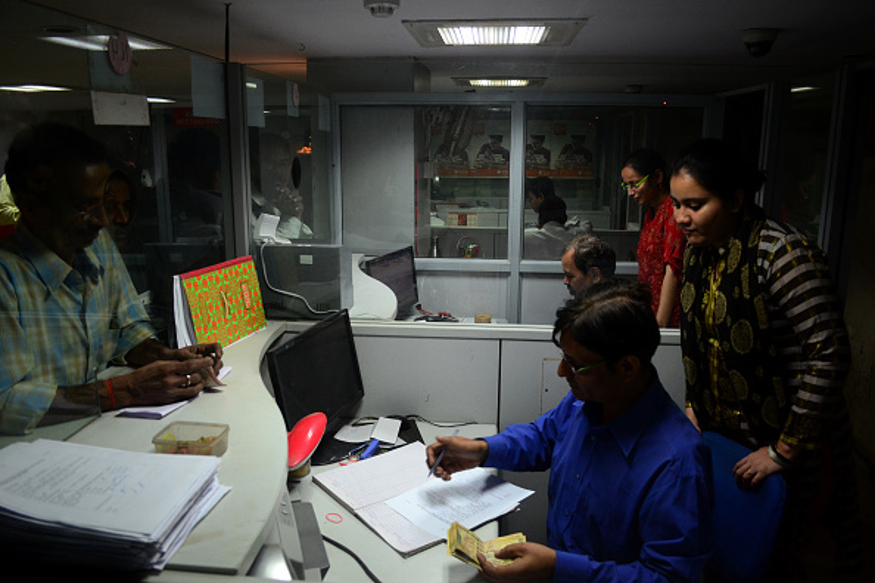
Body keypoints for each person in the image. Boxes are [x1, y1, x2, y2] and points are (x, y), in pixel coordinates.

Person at [427, 280, 714, 583]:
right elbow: (542, 437)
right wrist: (482, 450)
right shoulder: (589, 401)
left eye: (576, 364)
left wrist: (558, 568)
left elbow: (668, 579)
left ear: (627, 368)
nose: (562, 372)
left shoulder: (677, 465)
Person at [670, 138, 861, 580]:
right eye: (678, 204)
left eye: (695, 205)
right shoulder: (701, 250)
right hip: (727, 437)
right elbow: (699, 340)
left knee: (790, 552)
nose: (681, 217)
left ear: (736, 199)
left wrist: (783, 450)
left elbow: (828, 352)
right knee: (731, 549)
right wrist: (694, 405)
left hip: (791, 440)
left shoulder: (782, 253)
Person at [0, 122, 223, 435]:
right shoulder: (7, 279)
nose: (103, 220)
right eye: (84, 206)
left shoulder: (97, 246)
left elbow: (126, 328)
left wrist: (168, 358)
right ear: (32, 204)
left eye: (102, 202)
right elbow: (6, 402)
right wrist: (123, 390)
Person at [622, 148, 684, 328]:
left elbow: (673, 270)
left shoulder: (673, 211)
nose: (630, 192)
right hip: (650, 309)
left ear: (657, 177)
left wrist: (661, 325)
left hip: (668, 316)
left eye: (634, 184)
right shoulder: (651, 213)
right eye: (626, 186)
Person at [251, 132, 313, 240]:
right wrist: (291, 217)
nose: (278, 171)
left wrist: (295, 214)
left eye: (283, 164)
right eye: (269, 164)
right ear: (254, 166)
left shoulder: (277, 204)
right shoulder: (244, 209)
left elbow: (307, 245)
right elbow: (274, 253)